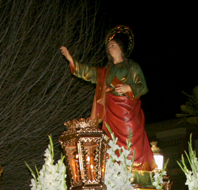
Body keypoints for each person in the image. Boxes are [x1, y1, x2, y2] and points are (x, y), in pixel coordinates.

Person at [60, 26, 156, 172]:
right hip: (111, 110)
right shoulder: (106, 71)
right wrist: (71, 59)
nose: (110, 48)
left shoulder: (132, 66)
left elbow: (142, 86)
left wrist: (127, 88)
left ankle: (137, 169)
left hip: (127, 109)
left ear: (121, 48)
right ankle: (115, 169)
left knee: (132, 136)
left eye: (113, 45)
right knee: (111, 139)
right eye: (108, 46)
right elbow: (88, 72)